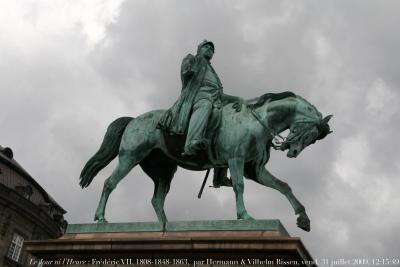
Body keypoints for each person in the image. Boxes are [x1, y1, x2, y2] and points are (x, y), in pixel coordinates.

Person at [158, 40, 241, 157]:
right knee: (205, 104)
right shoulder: (193, 59)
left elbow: (221, 95)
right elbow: (185, 73)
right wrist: (188, 70)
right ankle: (191, 142)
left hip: (215, 101)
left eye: (212, 49)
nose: (209, 49)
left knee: (226, 116)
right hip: (196, 97)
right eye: (205, 47)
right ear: (199, 49)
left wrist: (238, 99)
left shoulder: (213, 73)